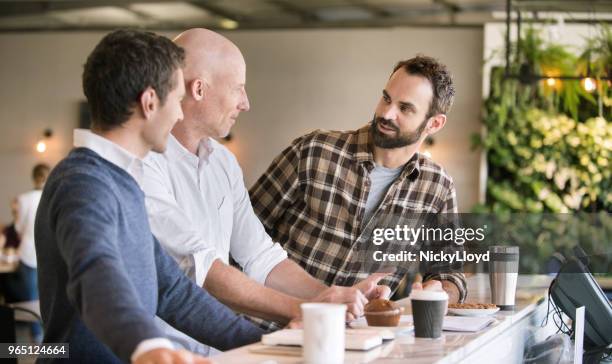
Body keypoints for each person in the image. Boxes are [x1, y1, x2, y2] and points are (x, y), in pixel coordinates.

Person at [141, 28, 389, 354]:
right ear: (198, 89)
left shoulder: (223, 163)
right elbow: (198, 268)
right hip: (155, 353)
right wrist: (310, 309)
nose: (246, 103)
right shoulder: (143, 160)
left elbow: (261, 257)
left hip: (218, 351)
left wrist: (334, 296)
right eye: (238, 89)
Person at [34, 29, 263, 364]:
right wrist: (145, 346)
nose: (180, 114)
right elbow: (97, 275)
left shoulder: (122, 181)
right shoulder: (83, 184)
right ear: (150, 102)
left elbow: (172, 291)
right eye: (175, 98)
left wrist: (267, 341)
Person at [250, 55, 467, 303]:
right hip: (270, 327)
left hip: (357, 337)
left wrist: (439, 291)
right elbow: (240, 233)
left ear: (434, 123)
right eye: (386, 98)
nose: (387, 113)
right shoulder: (314, 151)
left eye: (405, 108)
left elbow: (450, 271)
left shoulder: (437, 187)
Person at [7, 164, 50, 341]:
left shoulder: (24, 199)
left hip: (28, 253)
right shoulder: (53, 196)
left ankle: (37, 337)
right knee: (49, 298)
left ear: (33, 177)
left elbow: (18, 229)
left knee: (32, 298)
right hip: (50, 255)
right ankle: (50, 339)